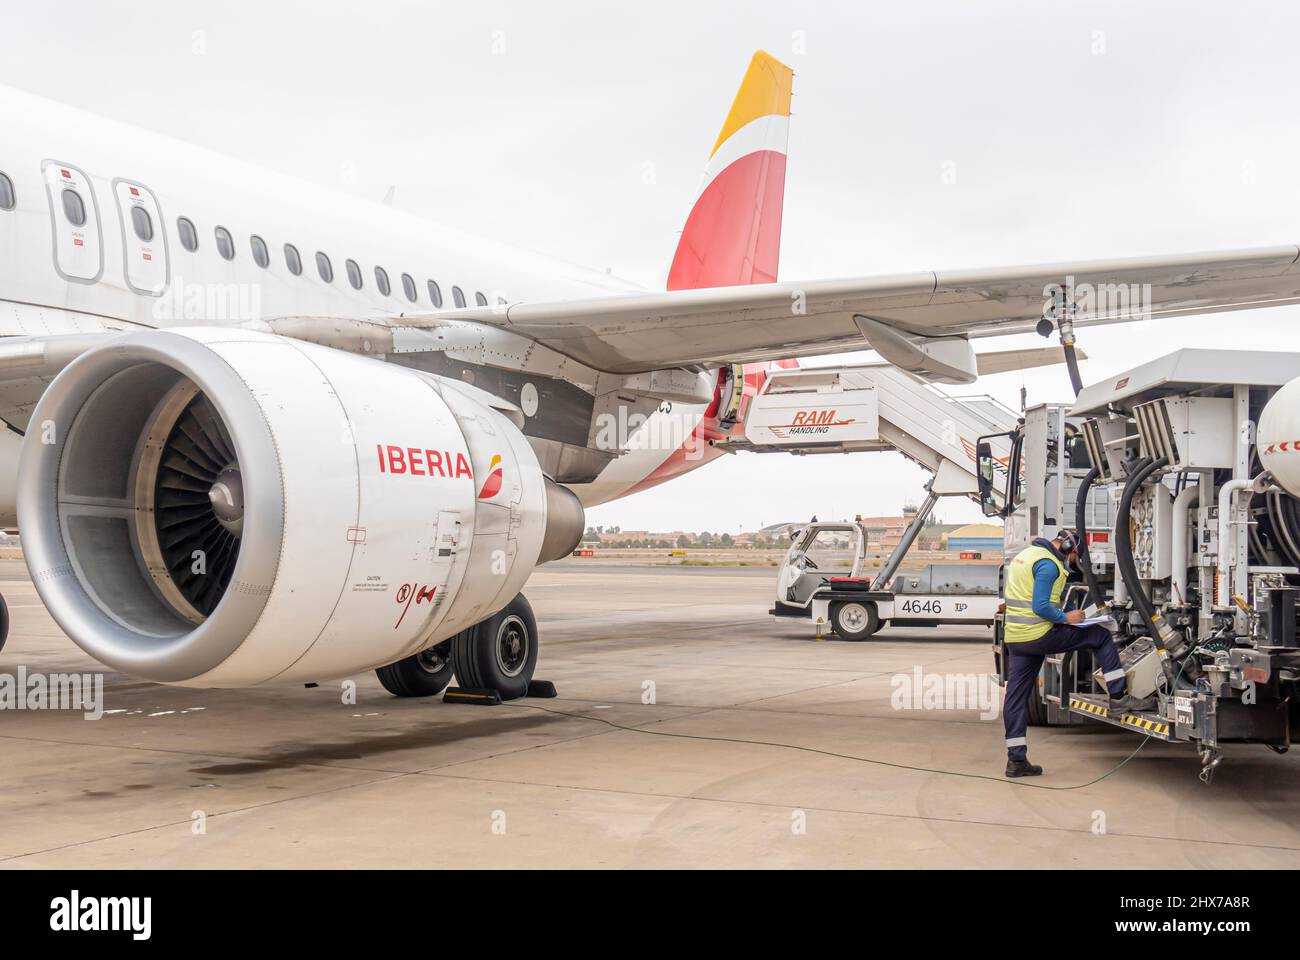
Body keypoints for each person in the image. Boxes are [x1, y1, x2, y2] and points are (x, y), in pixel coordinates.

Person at [1001, 528, 1153, 778]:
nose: (1072, 561)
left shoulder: (1026, 555)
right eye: (1074, 556)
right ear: (1066, 548)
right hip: (1039, 634)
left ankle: (1016, 761)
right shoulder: (1049, 565)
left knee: (1015, 698)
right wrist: (1066, 618)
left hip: (1016, 638)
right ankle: (1118, 698)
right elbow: (1040, 606)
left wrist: (1066, 613)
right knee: (1101, 637)